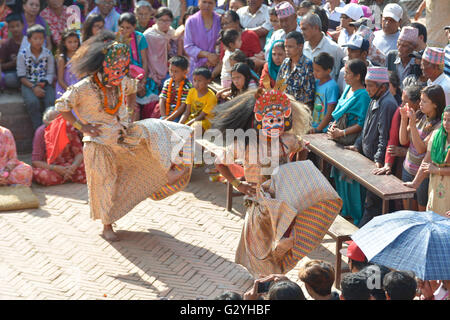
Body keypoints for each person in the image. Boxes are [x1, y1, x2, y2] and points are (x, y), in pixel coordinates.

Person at [55, 31, 194, 242]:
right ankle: (107, 225)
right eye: (116, 68)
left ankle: (165, 176)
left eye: (122, 68)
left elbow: (132, 89)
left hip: (123, 135)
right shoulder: (83, 87)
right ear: (103, 66)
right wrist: (82, 127)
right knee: (106, 183)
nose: (120, 73)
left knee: (154, 131)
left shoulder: (121, 81)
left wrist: (129, 113)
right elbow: (61, 106)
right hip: (98, 143)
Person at [204, 85, 341, 278]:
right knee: (260, 249)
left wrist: (294, 171)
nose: (275, 124)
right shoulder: (245, 143)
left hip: (285, 205)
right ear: (259, 120)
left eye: (279, 120)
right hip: (259, 205)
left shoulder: (287, 140)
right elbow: (219, 162)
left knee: (285, 243)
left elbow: (303, 148)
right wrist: (238, 184)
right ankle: (268, 283)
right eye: (270, 120)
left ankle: (272, 280)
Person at [348, 67, 398, 227]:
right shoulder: (373, 99)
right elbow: (365, 128)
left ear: (382, 87)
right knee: (367, 200)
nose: (367, 89)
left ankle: (362, 234)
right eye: (366, 85)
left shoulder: (388, 104)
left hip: (377, 163)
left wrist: (378, 160)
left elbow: (385, 136)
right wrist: (357, 145)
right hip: (367, 157)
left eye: (370, 85)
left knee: (373, 203)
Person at [328, 59, 370, 225]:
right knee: (339, 176)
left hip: (350, 141)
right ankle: (344, 210)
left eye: (348, 73)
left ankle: (355, 215)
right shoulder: (346, 90)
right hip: (338, 139)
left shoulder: (364, 95)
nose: (344, 76)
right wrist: (334, 128)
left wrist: (342, 132)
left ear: (358, 76)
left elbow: (361, 123)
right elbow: (338, 113)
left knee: (351, 180)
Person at [400, 85, 444, 211]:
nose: (420, 104)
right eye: (420, 100)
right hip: (407, 168)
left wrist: (412, 124)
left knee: (420, 214)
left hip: (422, 176)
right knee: (408, 212)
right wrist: (404, 119)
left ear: (435, 104)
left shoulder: (439, 125)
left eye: (425, 101)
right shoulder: (420, 115)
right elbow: (403, 140)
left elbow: (421, 149)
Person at [404, 105, 450, 216]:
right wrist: (415, 183)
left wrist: (436, 170)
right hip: (436, 185)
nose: (446, 123)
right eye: (444, 119)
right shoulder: (436, 136)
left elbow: (431, 167)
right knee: (433, 217)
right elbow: (426, 161)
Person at [374, 85, 422, 178]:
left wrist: (406, 151)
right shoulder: (401, 112)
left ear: (417, 103)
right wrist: (388, 164)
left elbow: (424, 148)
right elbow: (393, 139)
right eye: (402, 101)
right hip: (405, 164)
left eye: (406, 102)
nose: (402, 105)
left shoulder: (425, 118)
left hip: (419, 165)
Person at [118, 12, 158, 121]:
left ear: (134, 26)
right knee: (132, 108)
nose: (125, 30)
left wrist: (143, 82)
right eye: (122, 27)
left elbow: (145, 61)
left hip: (141, 76)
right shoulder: (117, 39)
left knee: (152, 104)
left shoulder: (140, 38)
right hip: (123, 78)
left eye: (128, 28)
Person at [32, 108, 86, 186]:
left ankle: (67, 175)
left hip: (70, 165)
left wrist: (73, 167)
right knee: (42, 175)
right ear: (46, 123)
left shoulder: (69, 129)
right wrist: (56, 168)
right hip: (51, 167)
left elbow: (79, 153)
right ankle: (69, 176)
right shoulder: (40, 132)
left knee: (89, 167)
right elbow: (35, 161)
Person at [17, 24, 55, 131]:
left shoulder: (48, 54)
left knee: (51, 102)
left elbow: (50, 73)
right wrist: (34, 87)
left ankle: (52, 130)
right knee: (33, 103)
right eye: (35, 38)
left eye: (41, 38)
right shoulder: (22, 54)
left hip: (44, 83)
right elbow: (21, 76)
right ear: (29, 40)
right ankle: (39, 131)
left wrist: (44, 82)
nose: (38, 41)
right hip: (28, 84)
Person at [301, 12, 345, 81]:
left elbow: (340, 75)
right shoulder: (302, 48)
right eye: (301, 29)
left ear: (316, 28)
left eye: (304, 29)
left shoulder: (334, 49)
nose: (302, 32)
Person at [183, 0, 220, 80]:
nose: (207, 5)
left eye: (210, 3)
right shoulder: (191, 21)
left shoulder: (219, 20)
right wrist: (207, 55)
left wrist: (216, 58)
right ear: (198, 2)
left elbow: (223, 42)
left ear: (215, 4)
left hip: (216, 67)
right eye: (204, 2)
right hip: (196, 68)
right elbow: (188, 46)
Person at [277, 31, 314, 107]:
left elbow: (308, 97)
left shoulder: (307, 65)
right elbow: (278, 86)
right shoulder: (285, 62)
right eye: (285, 46)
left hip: (299, 111)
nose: (286, 49)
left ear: (300, 46)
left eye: (290, 46)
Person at [310, 52, 339, 133]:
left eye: (318, 70)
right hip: (314, 126)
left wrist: (318, 128)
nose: (314, 73)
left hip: (324, 129)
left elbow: (330, 111)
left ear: (328, 71)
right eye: (314, 69)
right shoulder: (316, 83)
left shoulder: (332, 86)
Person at [180, 67, 217, 131]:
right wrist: (180, 124)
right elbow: (187, 112)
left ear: (208, 81)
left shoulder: (211, 97)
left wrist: (185, 126)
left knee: (195, 127)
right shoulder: (191, 91)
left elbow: (201, 117)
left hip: (204, 122)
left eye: (199, 81)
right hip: (191, 120)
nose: (196, 84)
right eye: (194, 80)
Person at [158, 55, 192, 122]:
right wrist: (164, 116)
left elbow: (183, 106)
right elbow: (162, 100)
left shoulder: (187, 86)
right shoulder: (167, 82)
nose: (172, 74)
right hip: (166, 114)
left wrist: (169, 119)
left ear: (185, 72)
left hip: (178, 115)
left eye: (176, 71)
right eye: (171, 70)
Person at [0, 123, 33, 187]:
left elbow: (13, 158)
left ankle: (4, 181)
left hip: (5, 169)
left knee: (26, 169)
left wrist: (5, 173)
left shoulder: (6, 133)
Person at [0, 13, 23, 89]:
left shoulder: (30, 41)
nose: (15, 29)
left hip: (30, 73)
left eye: (17, 26)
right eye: (12, 27)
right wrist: (13, 63)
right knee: (9, 79)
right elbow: (1, 66)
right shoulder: (6, 44)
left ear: (22, 26)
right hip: (13, 73)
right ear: (8, 29)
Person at [55, 30, 80, 99]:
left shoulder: (80, 56)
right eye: (70, 42)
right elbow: (60, 80)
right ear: (64, 43)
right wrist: (70, 91)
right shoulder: (62, 59)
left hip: (78, 89)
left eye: (75, 41)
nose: (73, 44)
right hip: (65, 89)